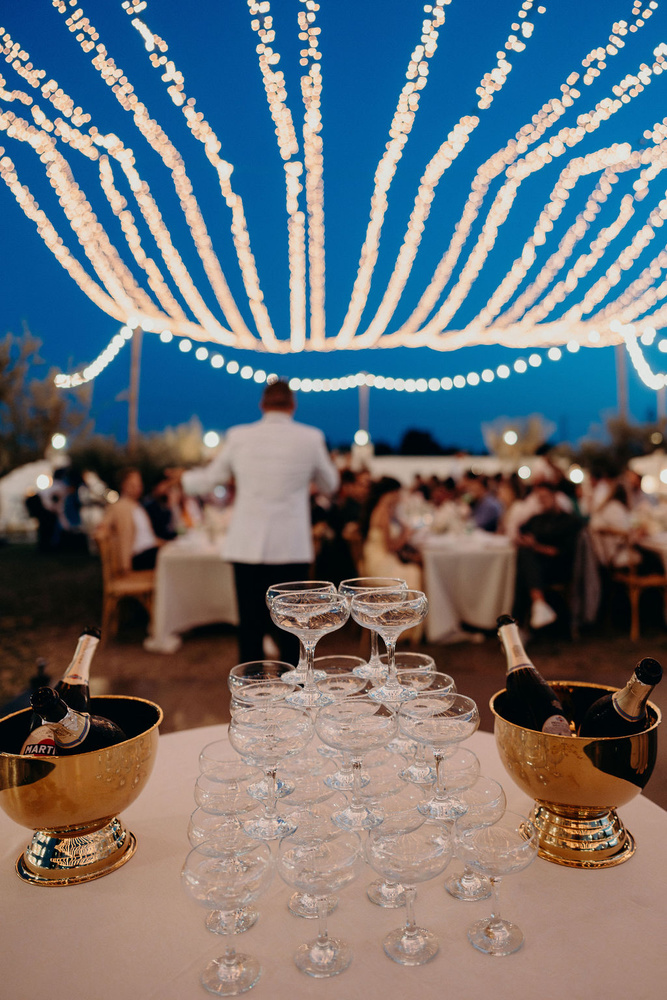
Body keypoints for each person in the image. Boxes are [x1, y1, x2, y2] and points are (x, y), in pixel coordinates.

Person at [182, 380, 339, 663]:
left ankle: (252, 691)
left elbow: (210, 479)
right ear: (293, 405)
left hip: (247, 545)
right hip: (290, 547)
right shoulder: (311, 437)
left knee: (250, 627)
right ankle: (292, 691)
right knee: (291, 628)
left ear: (262, 405)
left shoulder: (239, 436)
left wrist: (182, 480)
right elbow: (331, 484)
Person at [514, 482, 582, 630]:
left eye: (545, 497)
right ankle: (537, 607)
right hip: (537, 568)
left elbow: (559, 553)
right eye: (539, 498)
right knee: (523, 560)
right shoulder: (537, 519)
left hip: (559, 568)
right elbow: (519, 532)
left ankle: (519, 624)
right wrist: (521, 540)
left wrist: (535, 546)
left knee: (524, 562)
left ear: (555, 497)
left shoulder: (569, 521)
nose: (542, 501)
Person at [101, 467, 163, 572]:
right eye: (133, 484)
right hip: (138, 557)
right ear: (123, 485)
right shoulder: (119, 506)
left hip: (150, 551)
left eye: (139, 484)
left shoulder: (138, 506)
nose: (137, 488)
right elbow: (102, 526)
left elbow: (150, 537)